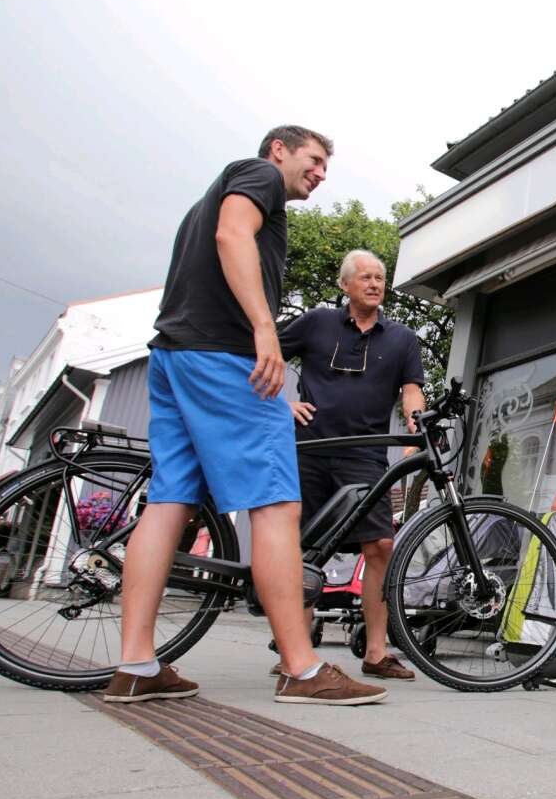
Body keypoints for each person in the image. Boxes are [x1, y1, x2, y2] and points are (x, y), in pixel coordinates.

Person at [103, 125, 387, 707]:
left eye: (326, 167)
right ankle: (302, 669)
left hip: (175, 356)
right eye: (313, 160)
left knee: (169, 502)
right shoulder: (258, 175)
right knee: (277, 503)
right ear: (279, 150)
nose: (320, 174)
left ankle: (136, 665)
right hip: (222, 358)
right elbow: (232, 234)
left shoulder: (210, 197)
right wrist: (264, 329)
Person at [274, 249, 427, 681]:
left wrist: (417, 425)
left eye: (380, 277)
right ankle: (296, 654)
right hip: (308, 448)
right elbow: (262, 353)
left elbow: (411, 390)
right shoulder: (316, 322)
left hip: (365, 454)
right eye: (365, 277)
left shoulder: (402, 339)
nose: (375, 284)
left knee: (380, 546)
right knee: (300, 549)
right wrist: (279, 404)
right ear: (345, 285)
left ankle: (377, 652)